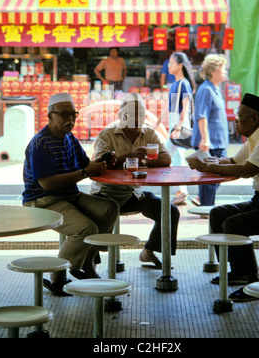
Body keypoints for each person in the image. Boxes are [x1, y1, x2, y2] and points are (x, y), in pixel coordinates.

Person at [187, 93, 259, 302]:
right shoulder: (255, 137)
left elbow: (248, 169)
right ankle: (238, 272)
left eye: (240, 116)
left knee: (234, 224)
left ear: (253, 120)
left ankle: (253, 283)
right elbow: (233, 160)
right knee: (218, 214)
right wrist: (209, 160)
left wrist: (208, 167)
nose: (236, 120)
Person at [22, 92, 119, 296]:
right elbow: (47, 184)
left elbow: (86, 164)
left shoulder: (69, 138)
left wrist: (103, 161)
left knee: (109, 209)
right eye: (64, 114)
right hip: (42, 200)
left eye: (73, 114)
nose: (70, 119)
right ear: (50, 116)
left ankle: (85, 263)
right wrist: (85, 173)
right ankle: (57, 277)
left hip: (69, 196)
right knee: (85, 228)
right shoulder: (40, 144)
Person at [89, 92, 180, 268]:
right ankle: (91, 259)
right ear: (123, 116)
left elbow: (166, 159)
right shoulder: (107, 135)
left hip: (134, 194)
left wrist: (143, 160)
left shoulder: (149, 134)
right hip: (106, 193)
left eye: (142, 115)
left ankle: (149, 251)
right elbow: (100, 164)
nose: (139, 120)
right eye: (134, 115)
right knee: (103, 212)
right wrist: (127, 157)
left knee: (170, 212)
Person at [190, 53, 229, 206]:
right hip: (210, 143)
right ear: (213, 71)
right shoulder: (206, 89)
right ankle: (206, 207)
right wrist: (205, 139)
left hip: (219, 142)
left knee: (216, 175)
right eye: (222, 69)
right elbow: (201, 116)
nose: (225, 72)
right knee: (210, 178)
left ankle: (203, 201)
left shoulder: (216, 89)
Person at [159, 52, 196, 205]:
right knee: (175, 157)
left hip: (179, 124)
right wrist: (158, 121)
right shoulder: (174, 84)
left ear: (180, 65)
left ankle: (181, 191)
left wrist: (179, 126)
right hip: (174, 124)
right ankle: (181, 191)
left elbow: (186, 107)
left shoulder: (183, 83)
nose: (169, 66)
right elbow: (170, 106)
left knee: (167, 155)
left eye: (172, 63)